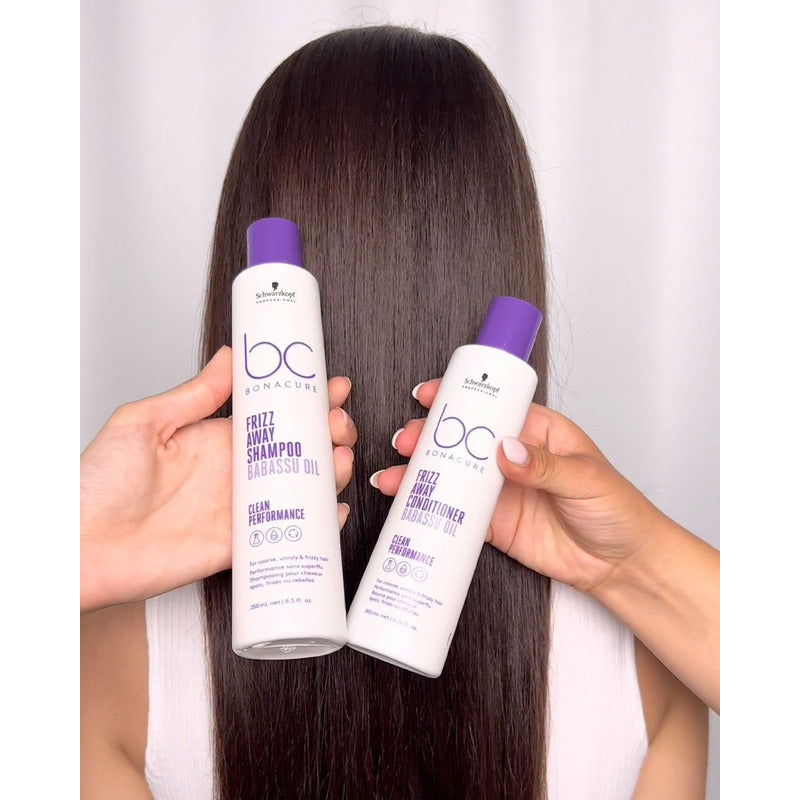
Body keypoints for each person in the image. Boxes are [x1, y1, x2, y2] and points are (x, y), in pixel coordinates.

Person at [81, 25, 717, 800]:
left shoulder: (107, 664)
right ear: (504, 249)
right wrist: (632, 564)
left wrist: (77, 542)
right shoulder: (657, 662)